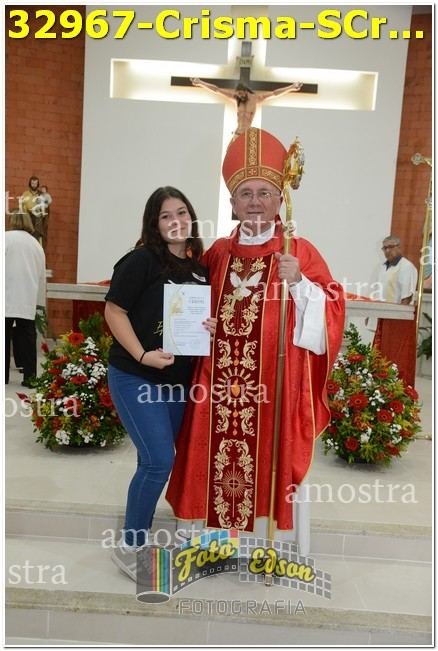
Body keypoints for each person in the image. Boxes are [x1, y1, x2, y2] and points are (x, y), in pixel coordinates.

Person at [166, 127, 345, 536]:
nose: (255, 202)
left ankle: (264, 539)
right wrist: (198, 323)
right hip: (215, 383)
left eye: (264, 192)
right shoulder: (217, 253)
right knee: (208, 452)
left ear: (280, 199)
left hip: (273, 387)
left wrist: (299, 283)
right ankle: (207, 539)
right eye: (245, 194)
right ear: (232, 203)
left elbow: (333, 309)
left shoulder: (298, 251)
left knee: (266, 456)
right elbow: (186, 302)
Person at [104, 186, 216, 581]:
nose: (176, 221)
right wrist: (141, 354)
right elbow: (114, 311)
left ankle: (143, 536)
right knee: (158, 460)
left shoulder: (199, 268)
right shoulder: (141, 260)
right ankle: (131, 545)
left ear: (191, 217)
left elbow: (193, 321)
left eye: (182, 212)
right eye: (166, 215)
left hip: (177, 382)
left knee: (153, 461)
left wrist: (208, 326)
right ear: (154, 223)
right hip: (135, 374)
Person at [5, 210, 46, 387]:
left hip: (5, 295)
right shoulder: (35, 244)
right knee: (27, 339)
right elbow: (41, 274)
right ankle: (30, 377)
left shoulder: (5, 238)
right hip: (27, 297)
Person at [191, 78, 303, 142]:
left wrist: (291, 87)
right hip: (237, 134)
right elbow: (216, 89)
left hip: (247, 135)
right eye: (238, 94)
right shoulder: (236, 98)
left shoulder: (256, 98)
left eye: (241, 93)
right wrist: (200, 83)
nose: (239, 96)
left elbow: (274, 93)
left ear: (245, 91)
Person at [366, 236, 418, 332]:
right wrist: (369, 314)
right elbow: (375, 291)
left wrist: (399, 320)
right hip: (378, 315)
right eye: (384, 248)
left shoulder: (406, 267)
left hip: (393, 319)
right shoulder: (381, 267)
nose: (387, 251)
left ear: (399, 247)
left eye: (390, 247)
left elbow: (406, 297)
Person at [20, 176, 42, 241]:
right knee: (27, 237)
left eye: (35, 183)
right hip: (28, 217)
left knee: (36, 238)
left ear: (38, 184)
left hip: (37, 219)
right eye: (32, 183)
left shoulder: (41, 194)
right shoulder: (25, 194)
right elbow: (22, 206)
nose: (34, 185)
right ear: (30, 184)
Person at [33, 184, 52, 250]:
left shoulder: (47, 196)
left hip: (43, 213)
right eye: (42, 189)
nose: (43, 190)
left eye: (44, 189)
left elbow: (49, 201)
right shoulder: (39, 196)